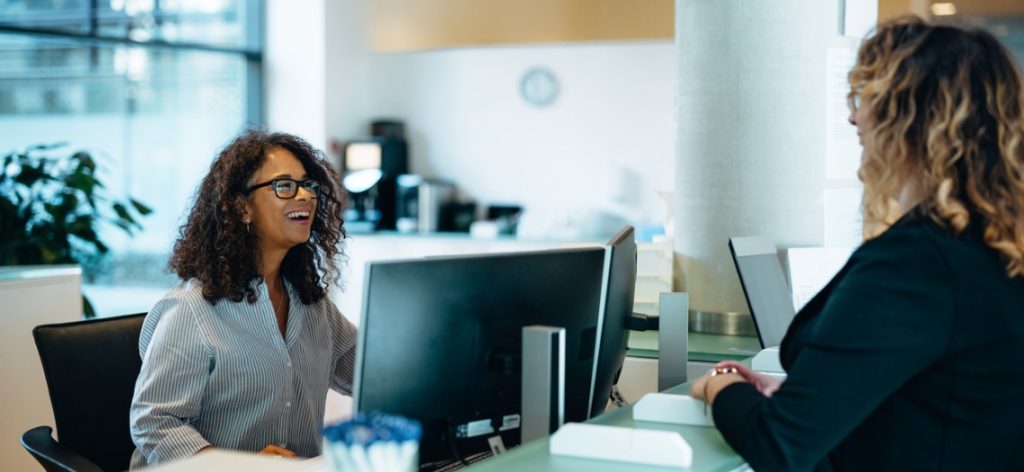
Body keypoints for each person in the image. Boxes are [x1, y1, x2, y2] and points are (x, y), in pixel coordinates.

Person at [691, 16, 1024, 471]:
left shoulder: (917, 263)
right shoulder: (994, 246)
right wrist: (816, 399)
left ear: (910, 118)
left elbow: (777, 446)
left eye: (866, 98)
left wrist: (720, 383)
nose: (852, 116)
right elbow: (945, 397)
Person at [129, 130, 357, 468]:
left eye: (308, 185)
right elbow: (155, 422)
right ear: (241, 207)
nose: (305, 196)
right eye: (284, 186)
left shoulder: (314, 307)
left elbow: (373, 374)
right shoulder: (192, 310)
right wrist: (238, 466)